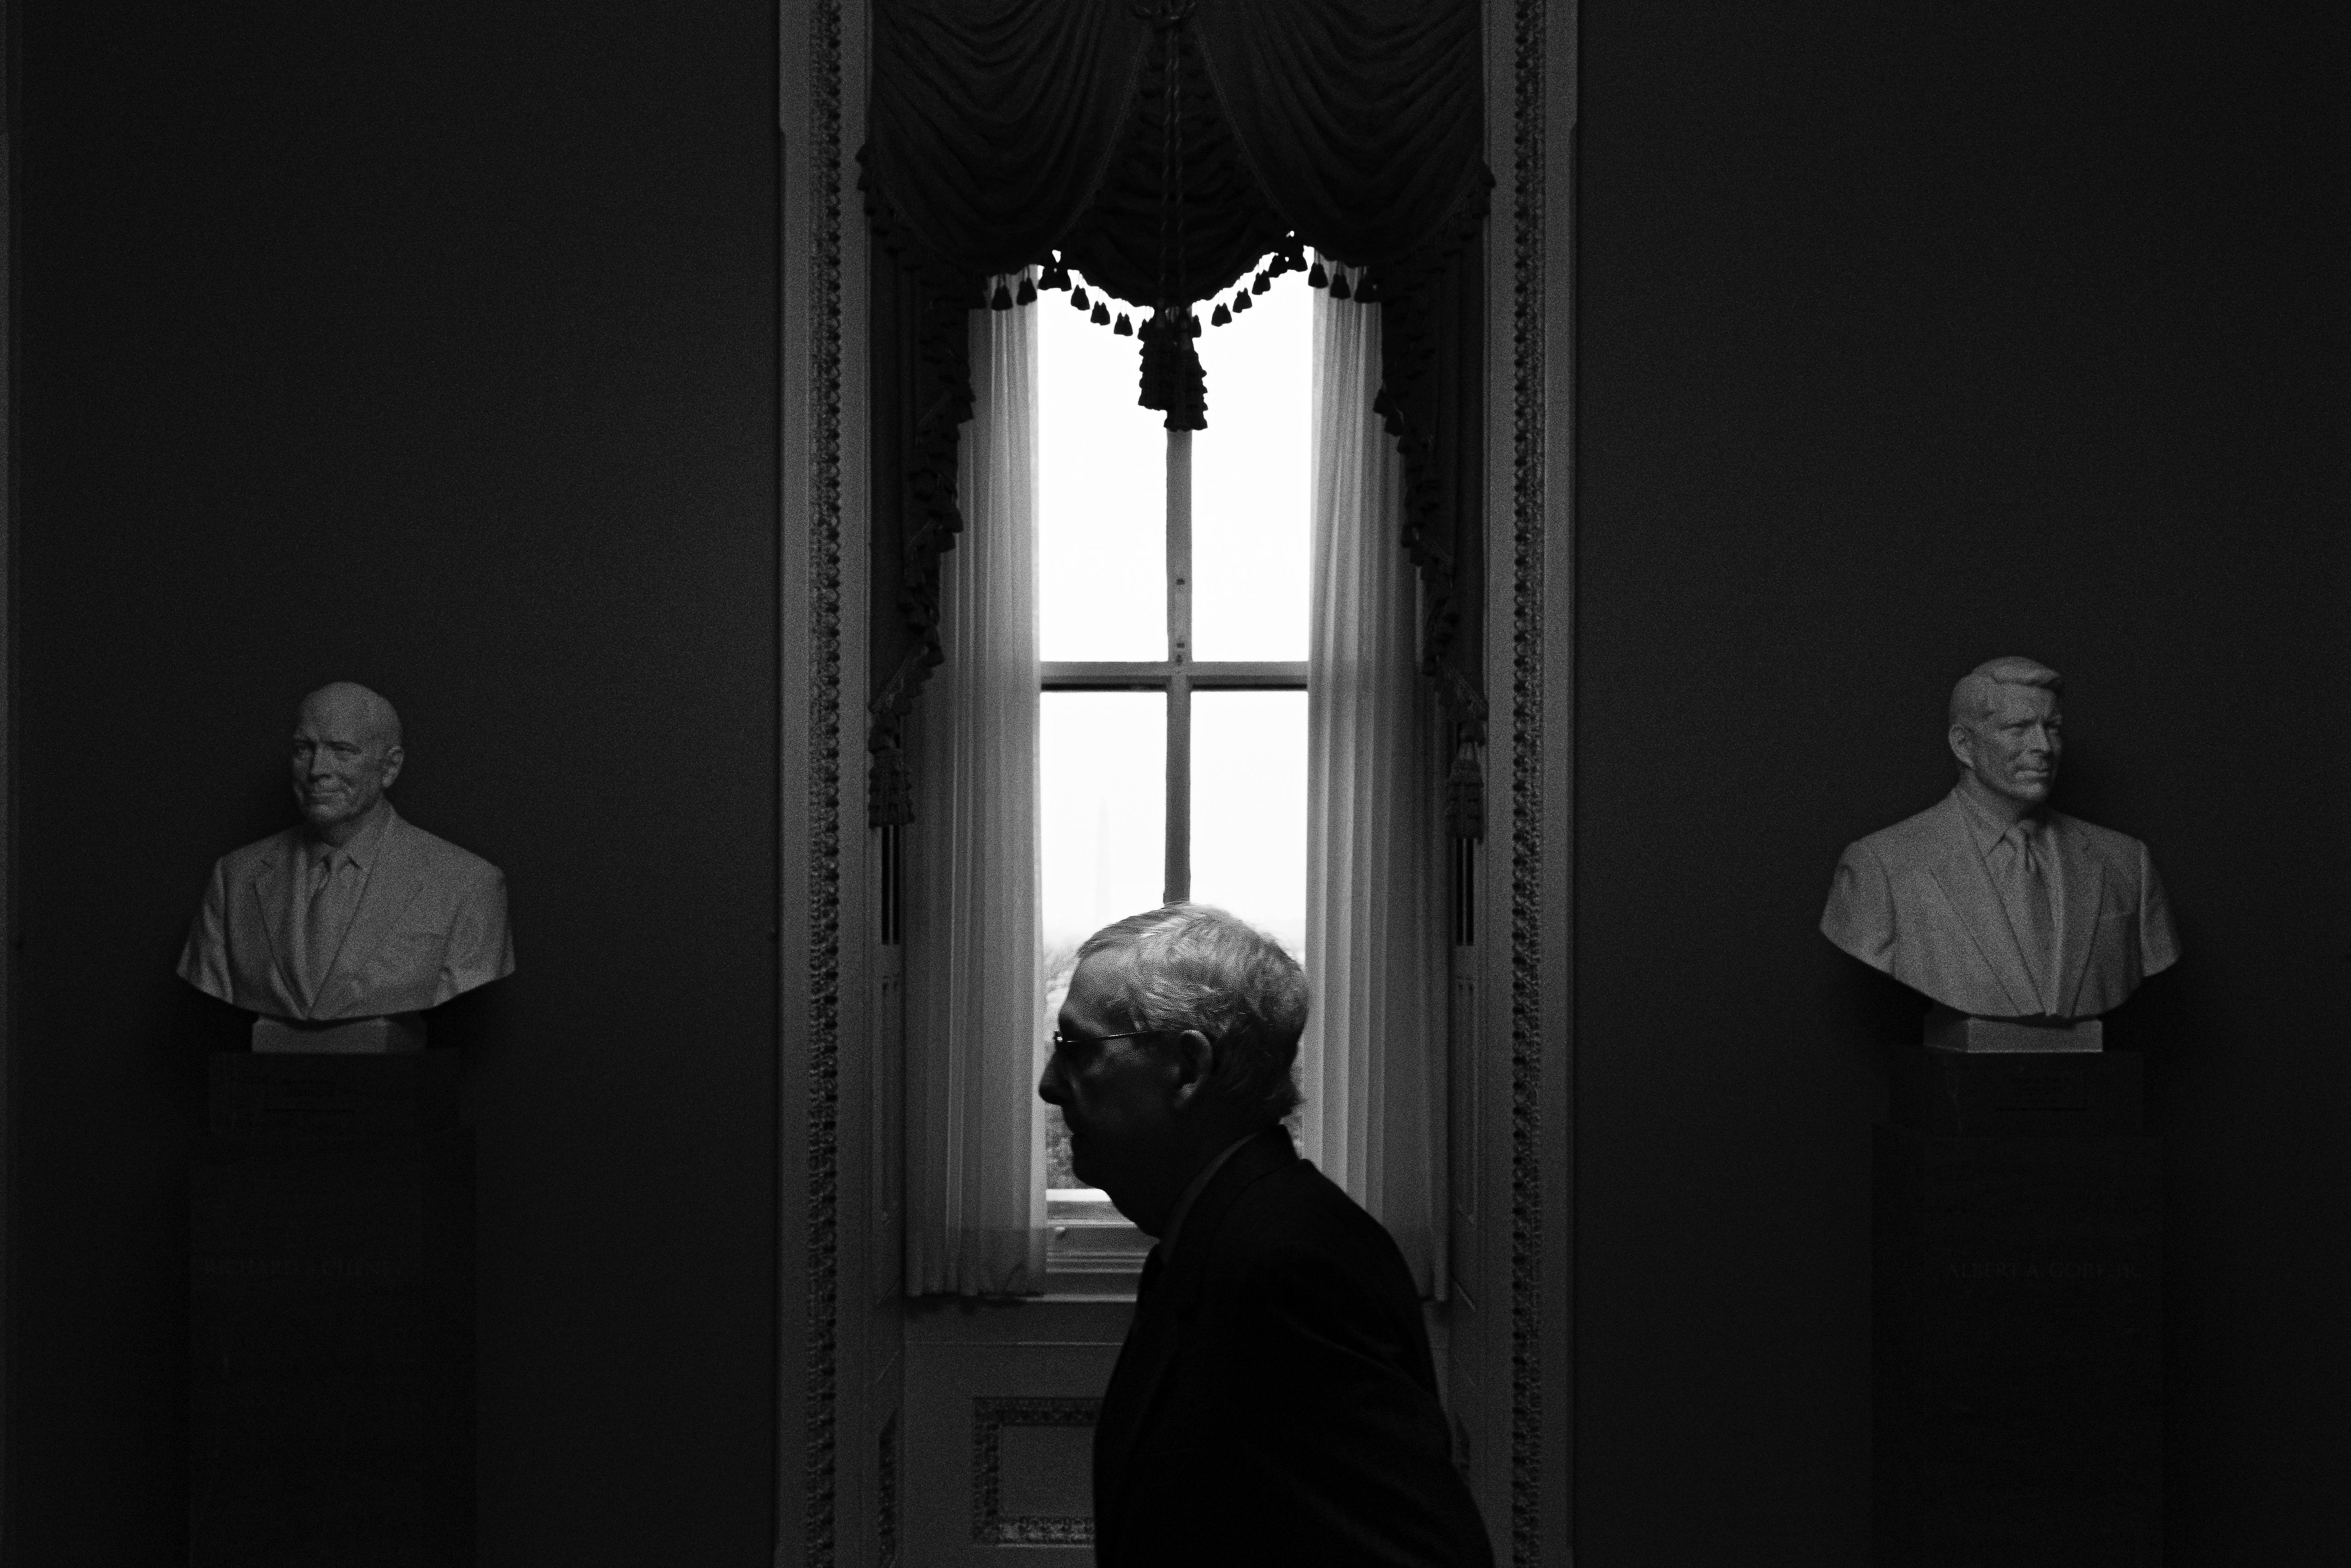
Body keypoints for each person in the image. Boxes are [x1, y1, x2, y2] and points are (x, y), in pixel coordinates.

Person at [1038, 903, 1492, 1568]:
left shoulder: (1286, 1267)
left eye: (1075, 1048)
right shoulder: (1221, 1233)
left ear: (1187, 1068)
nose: (1050, 1085)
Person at [1821, 656, 2177, 1019]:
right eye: (2018, 728)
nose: (2044, 745)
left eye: (2052, 727)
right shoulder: (1882, 866)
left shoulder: (2128, 862)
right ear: (1964, 745)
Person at [179, 681, 514, 1026]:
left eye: (342, 751)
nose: (317, 769)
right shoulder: (234, 878)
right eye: (303, 749)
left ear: (390, 768)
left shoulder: (469, 884)